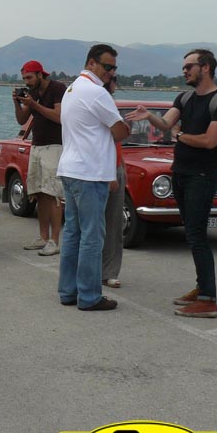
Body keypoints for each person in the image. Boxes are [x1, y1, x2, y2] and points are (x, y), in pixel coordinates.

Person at [126, 49, 217, 319]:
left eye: (189, 66)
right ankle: (202, 288)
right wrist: (148, 116)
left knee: (197, 235)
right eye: (184, 67)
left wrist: (180, 135)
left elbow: (210, 141)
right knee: (192, 234)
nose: (184, 71)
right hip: (181, 173)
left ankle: (208, 301)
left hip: (203, 176)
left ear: (205, 67)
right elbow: (165, 124)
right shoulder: (185, 97)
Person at [57, 44, 130, 312]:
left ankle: (68, 291)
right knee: (92, 236)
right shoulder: (97, 92)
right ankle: (89, 296)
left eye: (114, 68)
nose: (111, 73)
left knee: (73, 233)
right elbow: (120, 132)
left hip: (71, 169)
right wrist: (127, 124)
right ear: (91, 63)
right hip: (90, 173)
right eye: (107, 67)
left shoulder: (72, 89)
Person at [12, 60, 66, 256]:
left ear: (40, 74)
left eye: (29, 77)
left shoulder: (57, 89)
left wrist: (35, 104)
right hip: (37, 146)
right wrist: (17, 103)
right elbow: (22, 119)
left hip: (54, 146)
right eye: (24, 78)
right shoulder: (33, 92)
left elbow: (59, 116)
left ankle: (54, 240)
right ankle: (43, 237)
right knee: (39, 192)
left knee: (53, 193)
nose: (27, 82)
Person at [102, 75, 125, 289]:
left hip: (113, 166)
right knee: (98, 224)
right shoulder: (99, 101)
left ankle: (109, 271)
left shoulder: (109, 103)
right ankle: (98, 270)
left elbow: (116, 141)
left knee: (113, 223)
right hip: (102, 169)